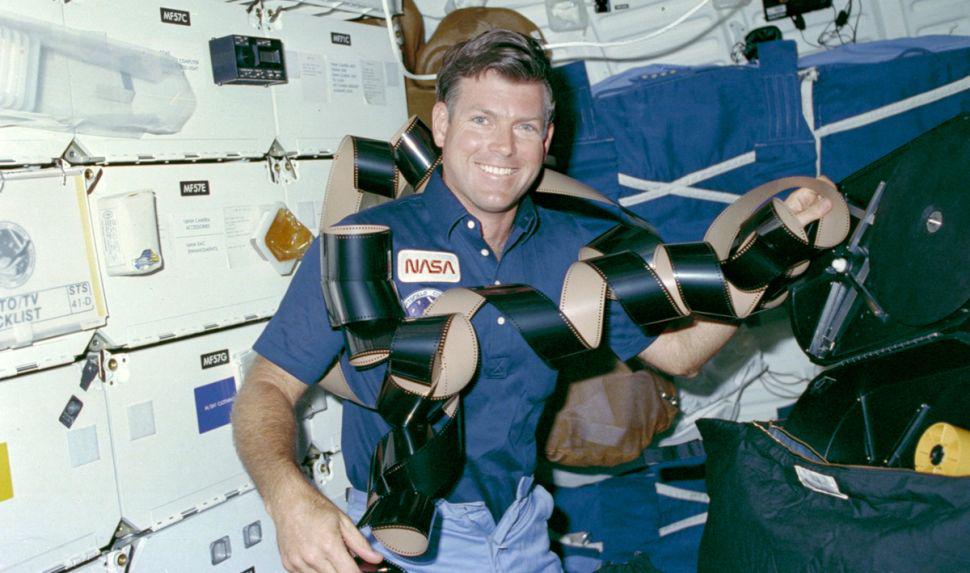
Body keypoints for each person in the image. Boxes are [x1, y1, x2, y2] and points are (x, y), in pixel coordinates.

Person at [231, 29, 833, 573]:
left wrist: (770, 259)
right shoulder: (366, 246)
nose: (503, 147)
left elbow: (682, 355)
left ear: (546, 139)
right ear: (441, 124)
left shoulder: (573, 248)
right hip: (406, 535)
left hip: (520, 526)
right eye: (481, 120)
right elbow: (267, 387)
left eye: (524, 127)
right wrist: (288, 497)